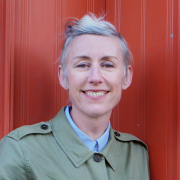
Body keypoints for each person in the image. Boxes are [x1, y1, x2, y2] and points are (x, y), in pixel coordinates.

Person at [0, 13, 150, 179]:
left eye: (107, 65)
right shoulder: (20, 150)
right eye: (82, 65)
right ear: (63, 76)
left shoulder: (137, 154)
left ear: (126, 77)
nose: (95, 77)